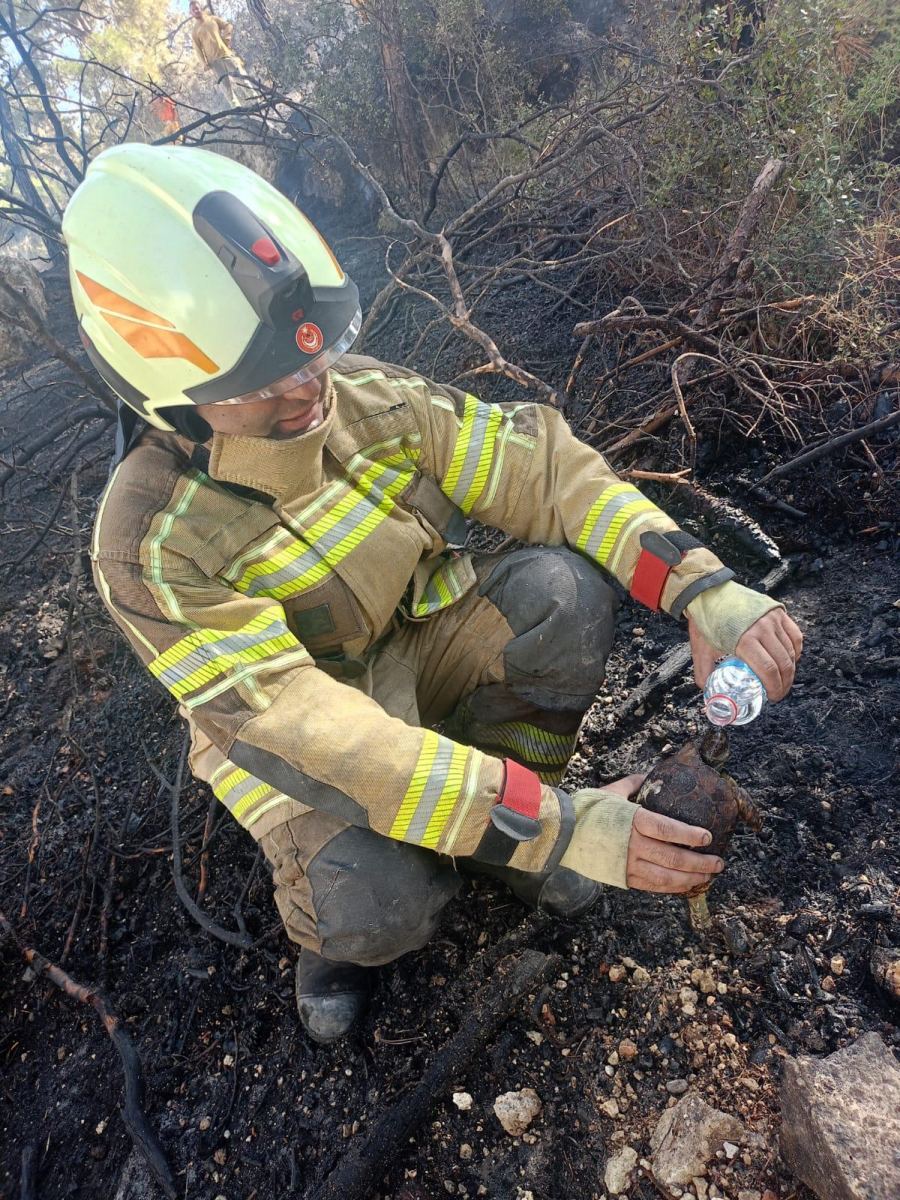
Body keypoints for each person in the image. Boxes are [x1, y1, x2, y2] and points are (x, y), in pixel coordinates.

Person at [63, 144, 803, 1043]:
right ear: (165, 389)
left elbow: (546, 474)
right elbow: (315, 734)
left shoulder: (372, 398)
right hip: (295, 739)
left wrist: (702, 587)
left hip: (419, 638)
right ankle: (332, 938)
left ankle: (513, 823)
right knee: (384, 906)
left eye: (316, 352)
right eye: (263, 384)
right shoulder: (147, 547)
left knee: (561, 596)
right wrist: (559, 832)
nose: (307, 391)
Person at [189, 0, 249, 106]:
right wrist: (204, 63)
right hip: (214, 62)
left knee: (242, 78)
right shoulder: (195, 31)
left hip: (226, 55)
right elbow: (198, 49)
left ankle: (257, 100)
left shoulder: (213, 19)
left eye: (197, 8)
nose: (196, 11)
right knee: (226, 86)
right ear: (191, 13)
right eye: (193, 10)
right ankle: (237, 107)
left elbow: (228, 26)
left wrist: (227, 38)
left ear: (201, 8)